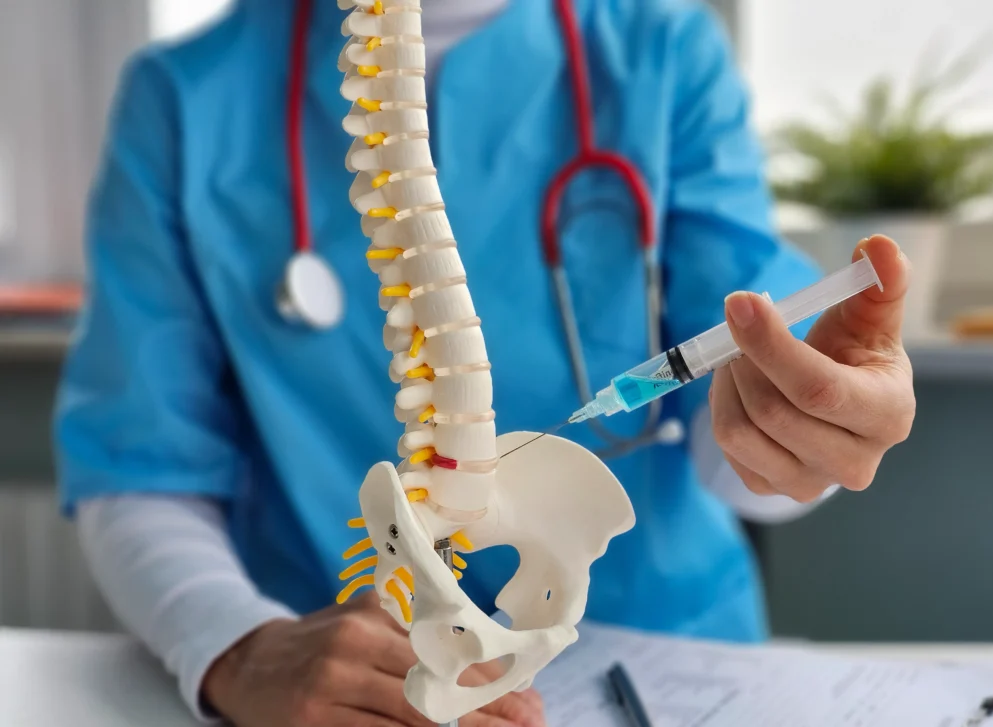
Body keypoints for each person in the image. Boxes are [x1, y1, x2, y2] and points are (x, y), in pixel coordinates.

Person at [54, 0, 916, 725]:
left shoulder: (660, 47)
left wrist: (795, 422)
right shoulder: (184, 99)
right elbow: (139, 459)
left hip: (665, 669)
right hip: (333, 674)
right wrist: (238, 646)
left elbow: (737, 381)